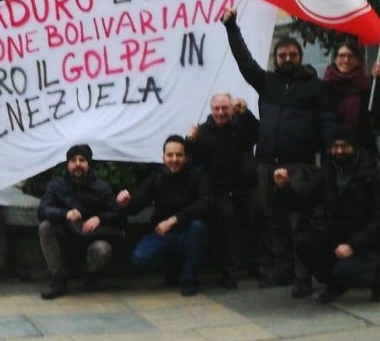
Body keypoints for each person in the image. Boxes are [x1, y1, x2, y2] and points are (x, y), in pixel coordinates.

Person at [222, 8, 329, 297]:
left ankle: (302, 275)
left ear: (300, 57)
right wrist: (232, 28)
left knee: (299, 222)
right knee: (275, 221)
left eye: (292, 55)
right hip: (267, 166)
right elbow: (245, 63)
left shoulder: (315, 88)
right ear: (275, 59)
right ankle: (283, 269)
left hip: (300, 167)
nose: (287, 59)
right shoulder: (267, 83)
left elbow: (325, 125)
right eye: (282, 55)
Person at [274, 124, 380, 303]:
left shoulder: (374, 175)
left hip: (371, 243)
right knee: (304, 243)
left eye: (344, 146)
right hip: (338, 235)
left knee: (346, 272)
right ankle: (335, 284)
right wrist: (284, 187)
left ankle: (379, 278)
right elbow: (304, 200)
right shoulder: (328, 171)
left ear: (354, 147)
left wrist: (353, 246)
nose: (339, 151)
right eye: (334, 146)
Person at [186, 93, 265, 287]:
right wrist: (190, 141)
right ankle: (227, 269)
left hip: (245, 188)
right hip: (219, 190)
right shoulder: (203, 132)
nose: (221, 113)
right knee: (225, 219)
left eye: (225, 108)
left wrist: (245, 113)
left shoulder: (241, 126)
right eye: (217, 109)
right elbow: (193, 160)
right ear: (211, 110)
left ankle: (256, 264)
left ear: (231, 109)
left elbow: (257, 134)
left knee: (258, 213)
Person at [119, 135, 212, 296]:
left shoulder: (198, 176)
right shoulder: (156, 178)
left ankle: (189, 278)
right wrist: (125, 202)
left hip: (188, 232)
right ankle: (174, 266)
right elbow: (136, 205)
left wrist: (173, 220)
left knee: (199, 227)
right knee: (139, 258)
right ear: (163, 158)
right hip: (162, 234)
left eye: (179, 155)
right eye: (170, 155)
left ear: (186, 158)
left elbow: (206, 204)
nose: (174, 159)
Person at [37, 144, 125, 300]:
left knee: (103, 250)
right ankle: (58, 280)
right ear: (67, 164)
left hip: (92, 239)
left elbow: (117, 213)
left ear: (88, 164)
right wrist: (65, 214)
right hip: (65, 237)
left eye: (82, 160)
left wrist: (99, 218)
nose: (77, 164)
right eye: (73, 160)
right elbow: (42, 210)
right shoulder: (56, 186)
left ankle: (88, 274)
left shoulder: (102, 187)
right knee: (45, 227)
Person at [321, 39, 380, 156]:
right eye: (341, 56)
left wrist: (379, 81)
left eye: (350, 56)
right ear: (335, 59)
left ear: (357, 60)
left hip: (362, 151)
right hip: (334, 152)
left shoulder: (366, 85)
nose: (346, 60)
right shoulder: (325, 86)